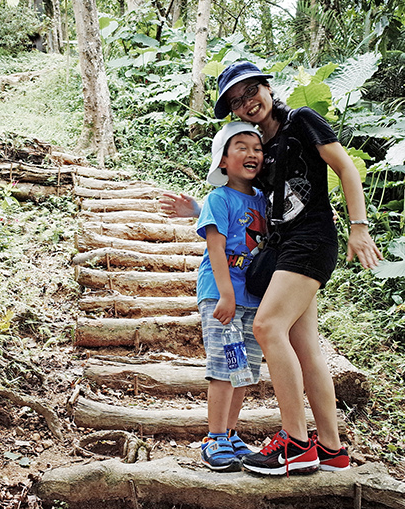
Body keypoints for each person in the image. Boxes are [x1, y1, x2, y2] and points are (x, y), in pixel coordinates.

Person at [161, 61, 382, 476]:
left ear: (267, 87)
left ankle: (296, 443)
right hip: (284, 250)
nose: (247, 103)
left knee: (265, 327)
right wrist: (198, 209)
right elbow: (244, 204)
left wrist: (358, 227)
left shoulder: (301, 121)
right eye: (236, 102)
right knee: (306, 347)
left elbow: (346, 167)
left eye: (251, 92)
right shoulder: (261, 147)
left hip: (310, 242)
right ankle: (331, 448)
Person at [188, 121, 267, 471]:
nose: (252, 154)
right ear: (222, 160)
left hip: (252, 296)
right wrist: (225, 295)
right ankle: (214, 437)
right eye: (241, 147)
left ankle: (231, 433)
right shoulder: (219, 198)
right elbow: (216, 248)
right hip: (222, 295)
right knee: (222, 368)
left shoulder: (263, 200)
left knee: (244, 370)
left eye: (257, 148)